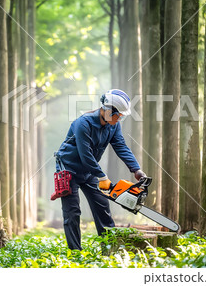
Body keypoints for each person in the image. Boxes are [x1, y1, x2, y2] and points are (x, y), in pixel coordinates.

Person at [54, 89, 146, 250]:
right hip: (69, 170)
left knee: (102, 205)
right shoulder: (83, 123)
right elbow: (85, 154)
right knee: (72, 212)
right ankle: (75, 252)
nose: (120, 119)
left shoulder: (113, 126)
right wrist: (102, 176)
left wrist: (136, 169)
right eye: (120, 115)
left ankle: (109, 248)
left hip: (89, 171)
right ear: (109, 110)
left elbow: (121, 147)